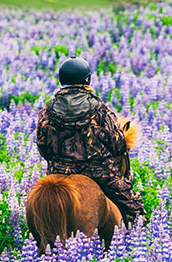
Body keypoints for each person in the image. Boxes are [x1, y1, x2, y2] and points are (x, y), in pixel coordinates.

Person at [36, 57, 146, 226]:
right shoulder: (99, 108)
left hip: (58, 172)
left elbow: (43, 147)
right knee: (134, 207)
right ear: (86, 79)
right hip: (99, 173)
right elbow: (118, 145)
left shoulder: (47, 110)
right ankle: (138, 238)